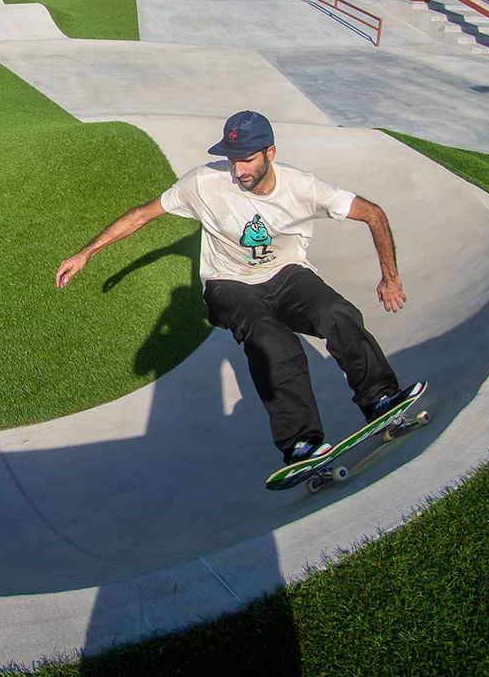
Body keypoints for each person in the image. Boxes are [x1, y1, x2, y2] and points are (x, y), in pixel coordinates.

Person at [55, 110, 422, 489]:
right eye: (233, 159)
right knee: (273, 341)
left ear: (270, 153)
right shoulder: (203, 182)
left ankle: (381, 400)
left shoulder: (305, 187)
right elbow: (141, 216)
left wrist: (390, 278)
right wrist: (86, 253)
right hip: (227, 284)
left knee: (337, 312)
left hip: (287, 273)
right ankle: (300, 444)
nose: (238, 169)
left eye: (247, 159)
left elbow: (373, 214)